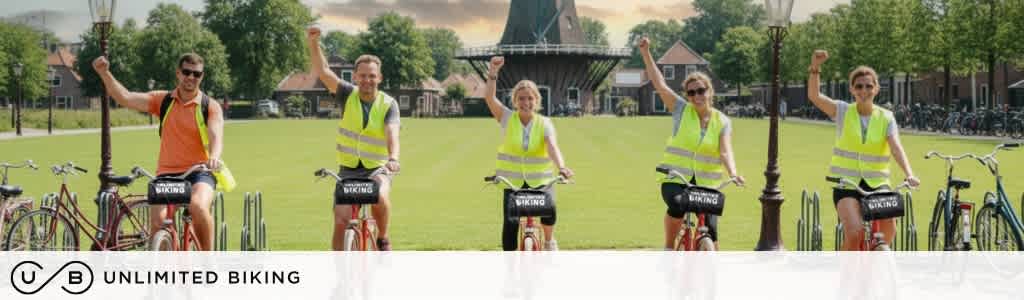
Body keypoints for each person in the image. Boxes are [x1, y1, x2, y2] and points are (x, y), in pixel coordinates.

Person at [92, 53, 224, 250]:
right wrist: (104, 73)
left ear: (201, 76)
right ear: (178, 74)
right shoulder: (163, 100)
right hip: (167, 175)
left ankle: (207, 261)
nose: (191, 77)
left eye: (196, 74)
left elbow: (216, 135)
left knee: (198, 206)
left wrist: (213, 157)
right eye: (186, 72)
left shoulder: (209, 106)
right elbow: (126, 97)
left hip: (199, 173)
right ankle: (163, 270)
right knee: (158, 222)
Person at [806, 50, 920, 250]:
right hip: (846, 185)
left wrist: (909, 173)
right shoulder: (842, 110)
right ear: (852, 89)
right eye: (859, 86)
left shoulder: (886, 117)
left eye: (869, 86)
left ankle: (875, 267)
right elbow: (814, 96)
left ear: (876, 89)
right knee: (855, 232)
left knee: (889, 231)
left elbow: (896, 147)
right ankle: (847, 275)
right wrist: (815, 68)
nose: (864, 90)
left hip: (878, 185)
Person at [638, 37, 745, 250]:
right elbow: (659, 83)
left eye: (701, 90)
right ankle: (669, 247)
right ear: (687, 96)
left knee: (712, 233)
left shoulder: (722, 121)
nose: (697, 96)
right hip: (675, 178)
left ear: (709, 91)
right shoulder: (681, 110)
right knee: (677, 205)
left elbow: (725, 151)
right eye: (691, 92)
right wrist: (646, 53)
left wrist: (733, 173)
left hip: (707, 184)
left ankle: (707, 262)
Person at [308, 27, 401, 251]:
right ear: (356, 76)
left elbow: (392, 133)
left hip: (377, 169)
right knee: (340, 221)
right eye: (362, 75)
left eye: (372, 75)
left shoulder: (388, 104)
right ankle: (341, 274)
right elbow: (323, 71)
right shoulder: (347, 94)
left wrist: (393, 157)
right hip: (348, 171)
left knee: (379, 195)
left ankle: (383, 238)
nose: (367, 80)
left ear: (379, 77)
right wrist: (313, 43)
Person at [484, 56, 574, 251]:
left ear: (537, 100)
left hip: (541, 181)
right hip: (512, 182)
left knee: (550, 211)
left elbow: (552, 147)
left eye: (530, 98)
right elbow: (490, 98)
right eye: (521, 98)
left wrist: (562, 167)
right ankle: (508, 263)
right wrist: (493, 73)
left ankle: (549, 242)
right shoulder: (507, 117)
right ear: (515, 101)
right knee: (510, 222)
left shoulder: (544, 122)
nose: (526, 102)